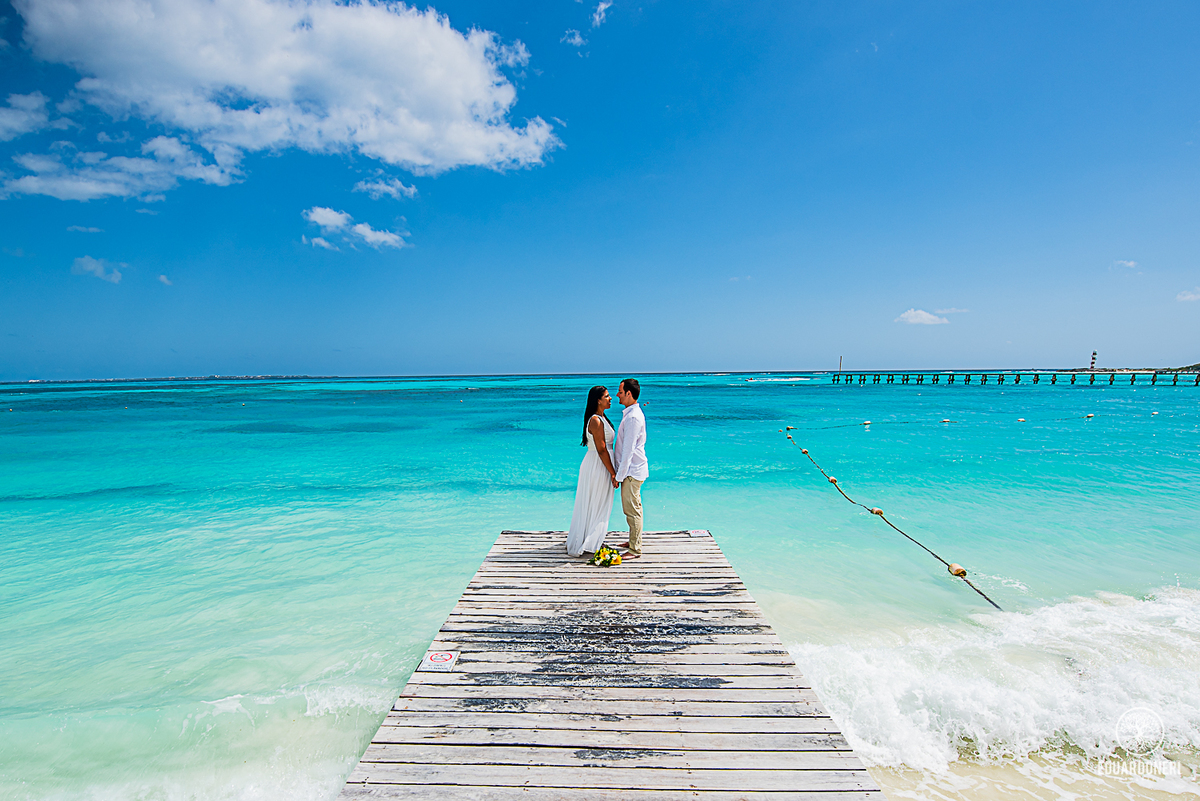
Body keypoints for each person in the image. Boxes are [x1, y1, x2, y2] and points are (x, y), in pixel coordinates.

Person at [565, 386, 620, 557]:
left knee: (599, 501)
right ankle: (592, 541)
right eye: (607, 396)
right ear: (598, 400)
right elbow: (602, 449)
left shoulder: (602, 418)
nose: (610, 398)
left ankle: (594, 538)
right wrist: (613, 472)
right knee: (598, 501)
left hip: (600, 463)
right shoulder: (596, 421)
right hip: (598, 464)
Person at [613, 378, 648, 558]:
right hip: (632, 469)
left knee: (632, 509)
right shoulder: (630, 414)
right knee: (633, 508)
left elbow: (628, 451)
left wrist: (618, 476)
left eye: (620, 391)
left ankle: (635, 549)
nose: (617, 395)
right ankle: (634, 539)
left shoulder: (633, 418)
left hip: (632, 471)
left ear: (628, 393)